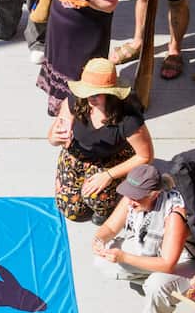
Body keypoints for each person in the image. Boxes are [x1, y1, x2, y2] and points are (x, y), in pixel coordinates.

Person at [91, 163, 195, 313]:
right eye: (130, 194)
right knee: (103, 262)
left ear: (154, 194)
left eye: (137, 198)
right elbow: (110, 227)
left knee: (156, 285)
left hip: (187, 260)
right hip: (156, 250)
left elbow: (167, 264)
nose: (131, 202)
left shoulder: (174, 213)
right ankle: (150, 283)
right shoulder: (133, 197)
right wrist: (99, 239)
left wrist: (124, 257)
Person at [47, 58, 153, 223]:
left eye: (95, 93)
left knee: (98, 198)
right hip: (78, 154)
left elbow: (145, 156)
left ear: (111, 93)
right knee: (71, 210)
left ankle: (107, 208)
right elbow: (59, 125)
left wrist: (108, 175)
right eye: (86, 91)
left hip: (111, 159)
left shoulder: (128, 118)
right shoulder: (77, 99)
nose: (89, 97)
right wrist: (53, 137)